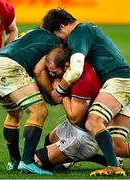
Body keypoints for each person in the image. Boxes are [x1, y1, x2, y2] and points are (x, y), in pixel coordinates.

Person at [41, 8, 130, 176]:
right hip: (125, 83)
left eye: (57, 35)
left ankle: (113, 168)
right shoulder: (88, 30)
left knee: (93, 121)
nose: (61, 41)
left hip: (118, 81)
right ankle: (113, 163)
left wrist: (60, 90)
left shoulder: (78, 32)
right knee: (116, 146)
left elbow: (76, 69)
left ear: (61, 26)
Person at [33, 46, 124, 173]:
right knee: (49, 140)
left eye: (55, 72)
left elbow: (75, 118)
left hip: (84, 137)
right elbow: (39, 70)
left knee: (38, 161)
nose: (53, 76)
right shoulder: (77, 65)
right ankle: (100, 158)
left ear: (66, 66)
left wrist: (62, 95)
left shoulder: (83, 83)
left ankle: (84, 155)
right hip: (75, 128)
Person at [0, 26, 61, 174]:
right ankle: (28, 162)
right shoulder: (55, 42)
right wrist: (50, 95)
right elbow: (39, 71)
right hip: (9, 67)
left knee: (14, 113)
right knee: (39, 111)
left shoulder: (35, 31)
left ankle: (14, 160)